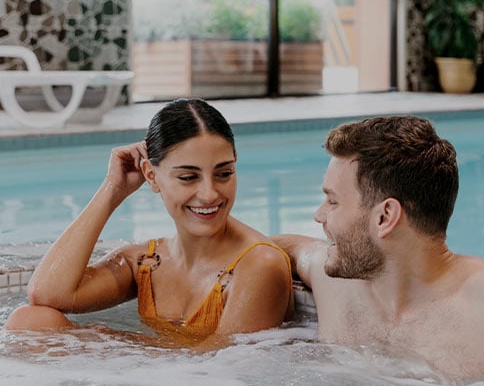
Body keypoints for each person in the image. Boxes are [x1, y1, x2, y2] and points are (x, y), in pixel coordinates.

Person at [273, 115, 484, 381]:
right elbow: (273, 247)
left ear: (385, 217)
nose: (319, 215)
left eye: (333, 201)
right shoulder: (334, 281)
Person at [6, 98, 294, 347]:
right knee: (30, 321)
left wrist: (112, 344)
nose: (209, 194)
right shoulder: (147, 262)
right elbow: (46, 293)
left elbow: (222, 371)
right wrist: (112, 190)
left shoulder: (259, 265)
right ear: (151, 176)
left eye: (224, 173)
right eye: (188, 177)